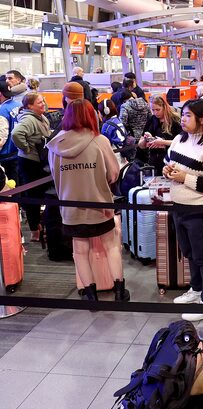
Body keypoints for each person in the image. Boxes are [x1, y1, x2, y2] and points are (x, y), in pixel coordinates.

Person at [47, 99, 127, 301]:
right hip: (100, 205)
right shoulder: (100, 141)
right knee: (111, 246)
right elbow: (113, 173)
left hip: (70, 207)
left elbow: (55, 176)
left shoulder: (55, 145)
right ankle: (119, 292)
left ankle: (90, 296)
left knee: (80, 251)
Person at [163, 99, 203, 322]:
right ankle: (197, 289)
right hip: (179, 207)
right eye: (182, 114)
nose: (183, 119)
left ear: (201, 119)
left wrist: (185, 178)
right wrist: (167, 170)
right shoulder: (179, 140)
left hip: (201, 210)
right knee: (189, 252)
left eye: (188, 115)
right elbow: (168, 161)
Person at [11, 92, 51, 242]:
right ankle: (35, 231)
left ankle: (40, 226)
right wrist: (26, 148)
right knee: (33, 196)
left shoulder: (41, 117)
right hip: (30, 163)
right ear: (30, 106)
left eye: (43, 101)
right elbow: (16, 134)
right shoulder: (29, 119)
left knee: (40, 194)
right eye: (39, 102)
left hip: (40, 161)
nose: (43, 104)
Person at [138, 94, 181, 175]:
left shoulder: (175, 120)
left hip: (171, 161)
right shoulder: (152, 119)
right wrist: (146, 139)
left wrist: (163, 142)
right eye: (153, 110)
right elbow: (141, 145)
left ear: (164, 106)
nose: (155, 113)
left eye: (158, 110)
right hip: (154, 161)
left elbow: (182, 143)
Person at [0, 78, 21, 181]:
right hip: (19, 151)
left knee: (11, 185)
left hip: (6, 156)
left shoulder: (1, 110)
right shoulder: (18, 105)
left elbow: (1, 137)